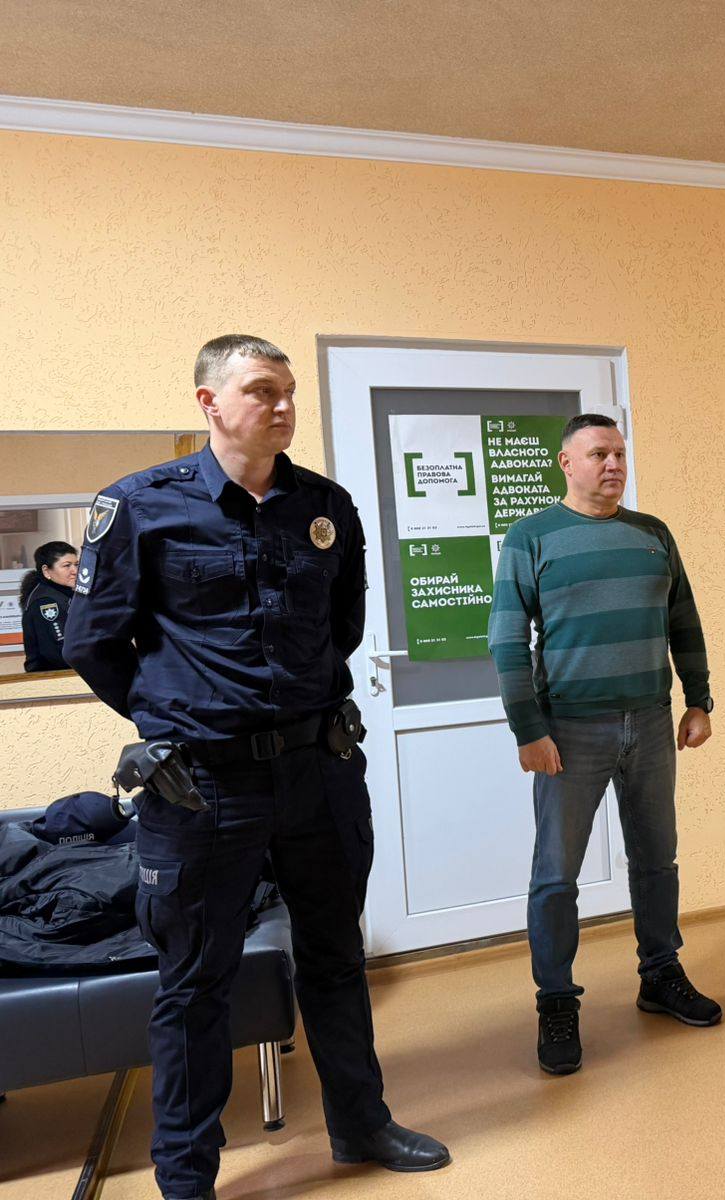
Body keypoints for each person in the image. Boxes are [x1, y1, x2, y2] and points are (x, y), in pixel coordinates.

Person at [64, 335, 448, 1200]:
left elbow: (342, 627)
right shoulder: (140, 506)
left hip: (318, 769)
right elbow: (92, 642)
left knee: (335, 957)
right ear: (209, 402)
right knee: (196, 982)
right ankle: (187, 1175)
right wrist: (175, 718)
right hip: (203, 787)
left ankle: (361, 1124)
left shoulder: (325, 505)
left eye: (289, 392)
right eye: (263, 390)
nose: (282, 406)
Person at [488, 413, 722, 1078]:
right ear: (567, 463)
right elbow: (506, 639)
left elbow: (684, 619)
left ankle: (661, 973)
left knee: (657, 859)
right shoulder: (532, 537)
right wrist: (528, 728)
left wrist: (699, 699)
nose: (613, 464)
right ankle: (557, 1002)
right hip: (569, 730)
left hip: (650, 720)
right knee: (556, 874)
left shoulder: (653, 534)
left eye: (619, 453)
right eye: (598, 454)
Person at [20, 540, 78, 672]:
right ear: (46, 571)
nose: (75, 571)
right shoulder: (46, 602)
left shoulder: (63, 593)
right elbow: (58, 651)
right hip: (53, 676)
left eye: (76, 564)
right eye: (67, 566)